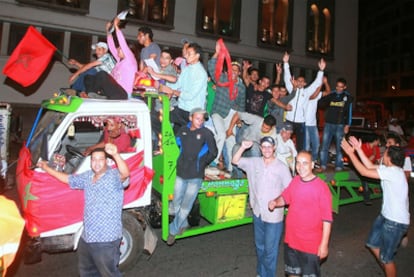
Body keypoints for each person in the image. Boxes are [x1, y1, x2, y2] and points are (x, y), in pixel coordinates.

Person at [37, 143, 130, 277]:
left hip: (106, 240)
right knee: (88, 273)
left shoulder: (113, 176)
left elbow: (125, 174)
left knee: (109, 274)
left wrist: (116, 154)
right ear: (90, 161)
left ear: (107, 161)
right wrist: (46, 168)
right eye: (94, 159)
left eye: (101, 159)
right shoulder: (88, 176)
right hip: (87, 237)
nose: (97, 163)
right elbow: (68, 179)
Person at [341, 136, 410, 277]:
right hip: (386, 217)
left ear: (389, 159)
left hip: (395, 222)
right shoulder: (391, 169)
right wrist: (359, 150)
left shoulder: (393, 173)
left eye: (384, 154)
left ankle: (387, 267)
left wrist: (350, 153)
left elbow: (364, 172)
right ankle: (387, 267)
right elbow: (369, 166)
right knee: (372, 243)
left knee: (387, 259)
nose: (382, 154)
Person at [232, 137, 291, 277]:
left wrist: (277, 201)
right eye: (264, 147)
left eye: (269, 146)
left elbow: (290, 192)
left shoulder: (281, 167)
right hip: (258, 213)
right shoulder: (254, 162)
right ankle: (261, 273)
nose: (266, 149)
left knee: (270, 251)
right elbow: (235, 161)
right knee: (260, 248)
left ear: (274, 148)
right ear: (260, 149)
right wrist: (242, 147)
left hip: (274, 217)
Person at [268, 151, 333, 277]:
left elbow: (327, 219)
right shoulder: (295, 181)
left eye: (305, 163)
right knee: (292, 274)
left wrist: (324, 245)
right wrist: (275, 202)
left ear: (312, 165)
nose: (300, 166)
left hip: (310, 245)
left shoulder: (321, 187)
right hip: (291, 241)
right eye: (298, 163)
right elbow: (285, 198)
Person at [167, 108, 218, 246]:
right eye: (197, 118)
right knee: (176, 201)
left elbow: (214, 152)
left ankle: (173, 230)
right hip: (181, 172)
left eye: (202, 119)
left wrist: (201, 163)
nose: (200, 121)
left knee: (185, 205)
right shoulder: (183, 130)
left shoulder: (207, 133)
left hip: (195, 176)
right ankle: (183, 223)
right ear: (191, 118)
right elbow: (177, 142)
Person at [208, 40, 246, 172]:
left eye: (237, 70)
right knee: (222, 135)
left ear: (239, 73)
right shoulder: (222, 78)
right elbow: (211, 67)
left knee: (231, 141)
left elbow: (240, 108)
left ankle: (231, 168)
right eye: (232, 69)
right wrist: (217, 53)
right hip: (218, 111)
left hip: (231, 115)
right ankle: (212, 161)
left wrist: (233, 126)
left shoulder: (241, 87)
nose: (234, 71)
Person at [82, 17, 137, 99]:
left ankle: (93, 93)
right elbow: (111, 47)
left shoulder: (130, 60)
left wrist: (116, 27)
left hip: (123, 93)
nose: (117, 49)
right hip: (113, 90)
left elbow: (123, 43)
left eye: (120, 48)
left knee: (102, 74)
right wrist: (108, 31)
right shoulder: (119, 61)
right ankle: (92, 93)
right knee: (88, 77)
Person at [158, 42, 208, 133]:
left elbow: (189, 96)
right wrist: (164, 86)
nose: (186, 56)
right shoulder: (187, 69)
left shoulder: (201, 73)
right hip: (182, 108)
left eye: (189, 54)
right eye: (186, 53)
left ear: (197, 56)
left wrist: (172, 91)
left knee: (186, 142)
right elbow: (177, 84)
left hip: (193, 113)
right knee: (160, 118)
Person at [282, 52, 326, 152]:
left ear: (305, 83)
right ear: (295, 81)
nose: (300, 82)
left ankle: (299, 162)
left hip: (300, 122)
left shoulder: (307, 92)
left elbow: (316, 83)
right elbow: (287, 78)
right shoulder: (291, 89)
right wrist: (286, 63)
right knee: (284, 140)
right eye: (298, 80)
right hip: (289, 120)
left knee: (301, 145)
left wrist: (321, 70)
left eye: (302, 81)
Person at [317, 77, 353, 172]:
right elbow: (321, 103)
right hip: (328, 124)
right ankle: (323, 165)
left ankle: (338, 166)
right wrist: (324, 85)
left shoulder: (348, 97)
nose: (338, 89)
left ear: (345, 87)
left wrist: (347, 125)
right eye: (337, 86)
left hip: (340, 125)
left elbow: (349, 112)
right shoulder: (331, 95)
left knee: (339, 147)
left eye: (341, 87)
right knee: (324, 145)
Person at [305, 76, 331, 162]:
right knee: (307, 147)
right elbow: (314, 95)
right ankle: (306, 163)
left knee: (316, 145)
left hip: (313, 125)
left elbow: (328, 92)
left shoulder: (317, 94)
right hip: (305, 124)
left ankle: (313, 161)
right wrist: (320, 84)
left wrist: (326, 82)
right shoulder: (305, 94)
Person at [360, 134, 382, 205]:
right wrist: (373, 156)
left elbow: (378, 160)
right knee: (365, 179)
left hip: (371, 167)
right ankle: (367, 198)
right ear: (375, 141)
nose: (379, 142)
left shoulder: (376, 148)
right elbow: (362, 161)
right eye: (378, 141)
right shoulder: (362, 146)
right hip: (362, 166)